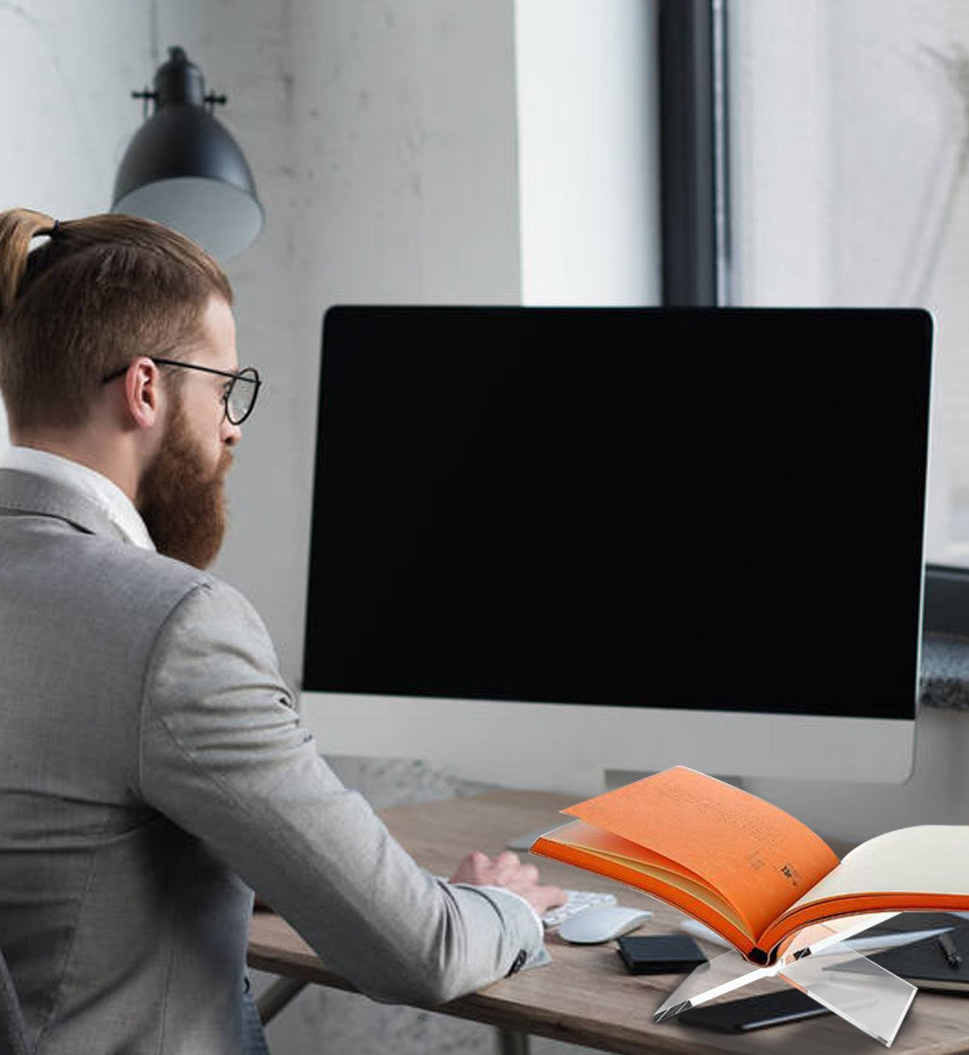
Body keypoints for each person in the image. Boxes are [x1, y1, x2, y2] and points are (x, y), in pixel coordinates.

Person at [0, 208, 566, 1055]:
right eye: (225, 388)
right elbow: (420, 953)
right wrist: (501, 903)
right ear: (146, 389)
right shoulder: (173, 625)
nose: (232, 426)